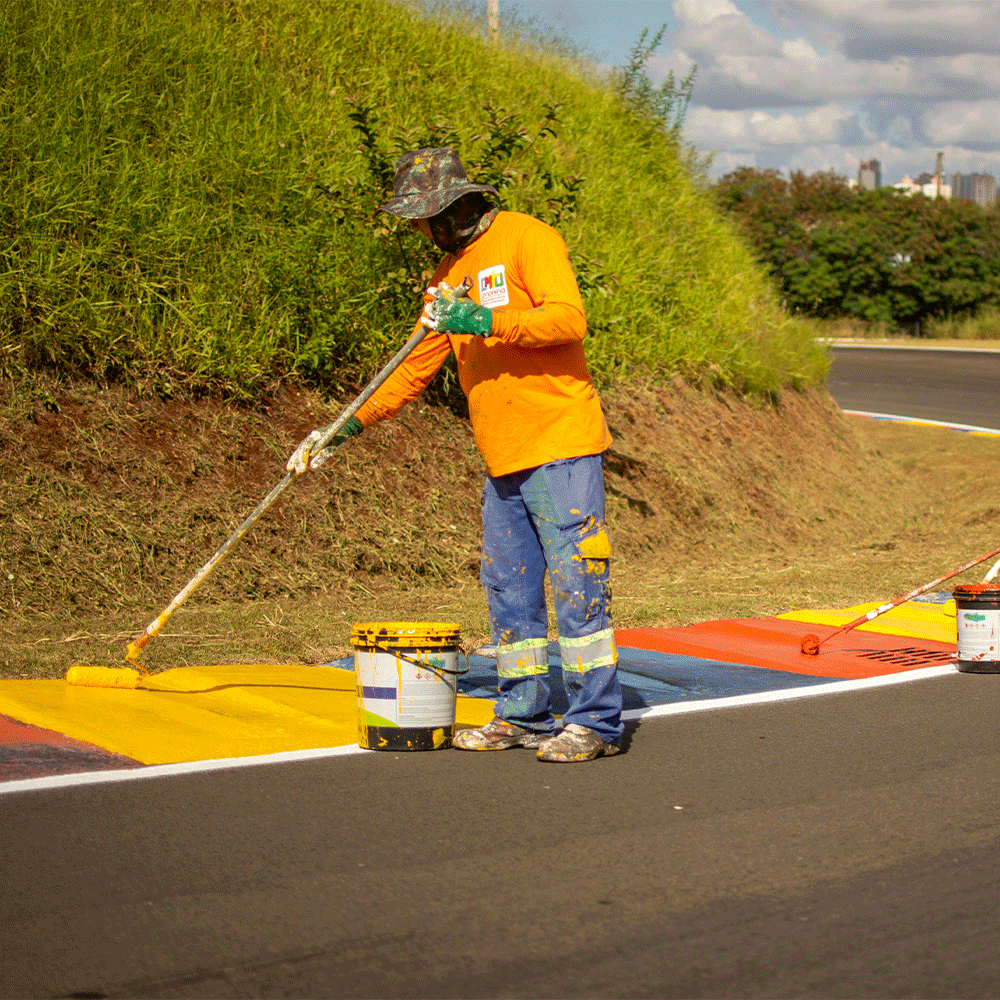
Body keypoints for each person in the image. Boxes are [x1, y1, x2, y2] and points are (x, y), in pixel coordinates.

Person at [288, 147, 623, 762]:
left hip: (560, 443)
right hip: (502, 458)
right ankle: (523, 714)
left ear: (453, 206)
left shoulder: (529, 238)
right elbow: (413, 367)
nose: (417, 229)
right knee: (509, 589)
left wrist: (483, 317)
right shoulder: (445, 276)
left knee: (579, 584)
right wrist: (344, 428)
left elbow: (567, 320)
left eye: (422, 217)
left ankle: (595, 723)